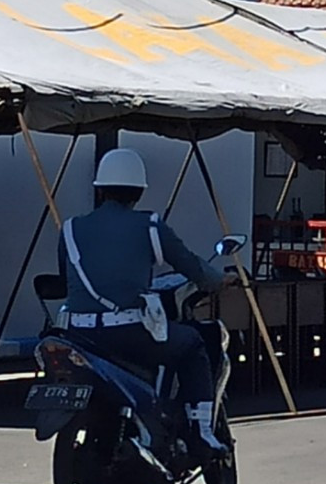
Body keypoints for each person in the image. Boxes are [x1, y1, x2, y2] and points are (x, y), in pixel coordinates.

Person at [58, 147, 236, 456]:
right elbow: (194, 268)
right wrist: (221, 280)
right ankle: (202, 433)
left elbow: (66, 278)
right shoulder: (150, 226)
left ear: (99, 189)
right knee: (193, 344)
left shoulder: (70, 229)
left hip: (78, 335)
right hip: (128, 332)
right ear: (139, 191)